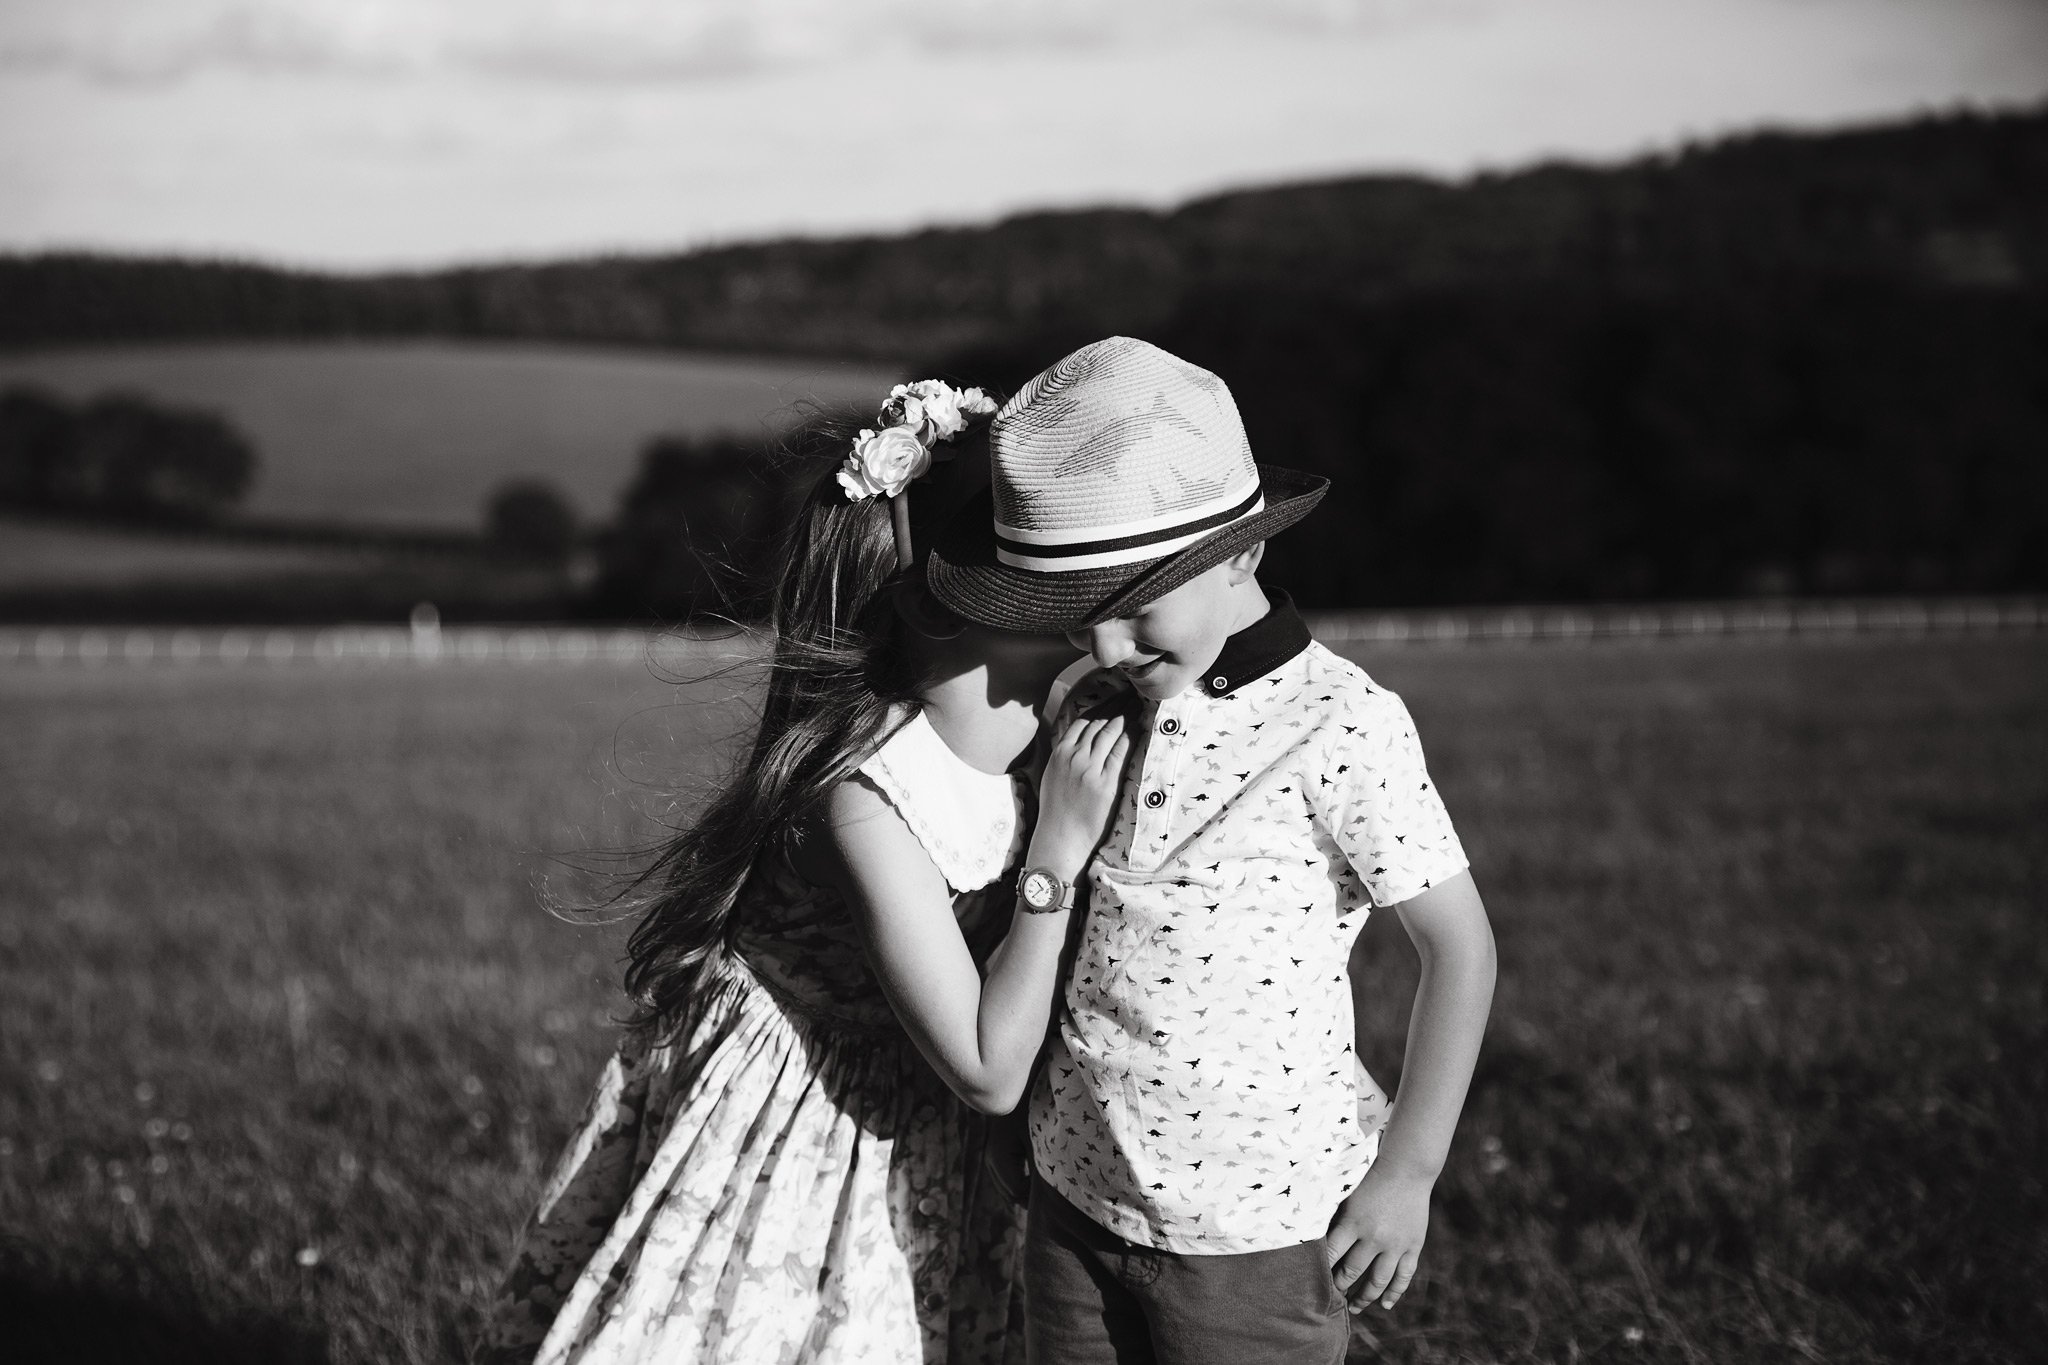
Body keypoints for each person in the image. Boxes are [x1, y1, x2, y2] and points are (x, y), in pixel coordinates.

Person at [476, 379, 1132, 1365]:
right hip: (802, 1116)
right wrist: (1053, 866)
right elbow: (989, 1070)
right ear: (943, 609)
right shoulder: (864, 797)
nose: (1081, 602)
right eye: (1037, 577)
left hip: (926, 1126)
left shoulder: (1051, 730)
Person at [927, 337, 1499, 1365]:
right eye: (1078, 617)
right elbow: (1068, 934)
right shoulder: (1088, 702)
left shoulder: (1339, 723)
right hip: (1071, 1196)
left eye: (1136, 606)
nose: (1104, 648)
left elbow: (1457, 950)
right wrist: (1026, 1125)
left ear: (1242, 552)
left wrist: (1406, 1170)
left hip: (1256, 1232)